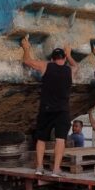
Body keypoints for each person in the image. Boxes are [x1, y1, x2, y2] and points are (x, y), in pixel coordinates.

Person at [21, 36, 76, 176]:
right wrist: (69, 55)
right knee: (60, 139)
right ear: (63, 59)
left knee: (41, 138)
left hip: (46, 109)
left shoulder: (46, 66)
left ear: (52, 59)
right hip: (62, 110)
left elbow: (26, 61)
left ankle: (39, 168)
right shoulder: (69, 70)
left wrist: (26, 48)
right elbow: (76, 66)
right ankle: (56, 170)